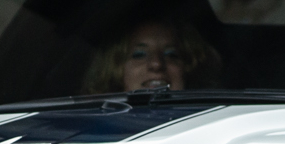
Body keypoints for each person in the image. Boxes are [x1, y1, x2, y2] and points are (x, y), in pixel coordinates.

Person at [82, 15, 222, 95]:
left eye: (171, 54)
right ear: (115, 68)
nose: (157, 64)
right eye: (139, 55)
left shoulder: (211, 128)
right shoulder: (99, 135)